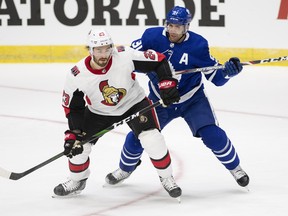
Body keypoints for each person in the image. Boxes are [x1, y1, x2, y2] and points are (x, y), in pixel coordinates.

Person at [105, 6, 250, 189]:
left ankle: (236, 168)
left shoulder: (198, 45)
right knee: (137, 137)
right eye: (170, 25)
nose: (173, 30)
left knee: (213, 135)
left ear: (186, 27)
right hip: (160, 100)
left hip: (193, 99)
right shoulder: (151, 37)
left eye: (178, 26)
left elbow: (216, 78)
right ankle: (124, 169)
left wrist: (229, 72)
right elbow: (128, 56)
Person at [53, 28, 182, 199]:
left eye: (107, 48)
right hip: (99, 112)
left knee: (152, 139)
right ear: (90, 50)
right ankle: (77, 180)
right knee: (79, 147)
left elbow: (158, 61)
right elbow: (73, 108)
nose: (104, 54)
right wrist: (74, 133)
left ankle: (167, 177)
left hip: (133, 103)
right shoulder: (77, 74)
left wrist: (167, 84)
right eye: (99, 50)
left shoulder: (124, 55)